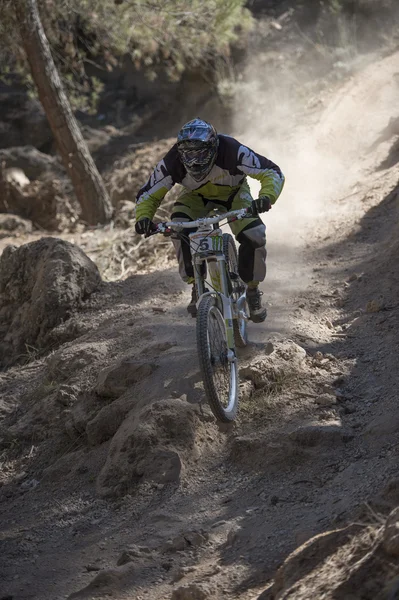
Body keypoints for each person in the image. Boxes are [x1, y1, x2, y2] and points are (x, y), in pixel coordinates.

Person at [135, 118, 285, 323]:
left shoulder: (232, 150)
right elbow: (148, 194)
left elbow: (271, 171)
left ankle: (252, 290)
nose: (194, 161)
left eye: (200, 153)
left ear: (214, 146)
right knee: (179, 229)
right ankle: (196, 283)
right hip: (196, 197)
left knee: (255, 235)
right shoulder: (172, 161)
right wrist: (144, 218)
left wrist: (266, 197)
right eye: (188, 154)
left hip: (234, 194)